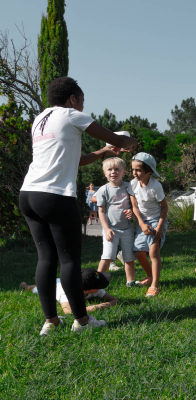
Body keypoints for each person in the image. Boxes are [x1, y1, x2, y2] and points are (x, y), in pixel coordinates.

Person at [19, 76, 137, 335]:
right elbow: (118, 139)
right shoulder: (72, 115)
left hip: (29, 194)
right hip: (55, 196)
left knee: (46, 258)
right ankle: (82, 322)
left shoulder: (40, 120)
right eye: (81, 101)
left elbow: (72, 160)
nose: (82, 106)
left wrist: (103, 153)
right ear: (73, 98)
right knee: (69, 260)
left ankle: (50, 322)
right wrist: (129, 143)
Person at [128, 152, 169, 298]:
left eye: (138, 170)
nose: (134, 173)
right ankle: (150, 276)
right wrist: (141, 223)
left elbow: (164, 207)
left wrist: (159, 226)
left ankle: (155, 286)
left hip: (157, 221)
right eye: (133, 169)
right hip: (142, 222)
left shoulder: (155, 186)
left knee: (153, 252)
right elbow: (135, 206)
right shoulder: (132, 184)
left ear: (149, 171)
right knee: (138, 252)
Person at [20, 269, 119, 328]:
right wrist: (92, 308)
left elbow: (115, 300)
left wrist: (101, 305)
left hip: (66, 281)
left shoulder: (96, 290)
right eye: (98, 285)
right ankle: (24, 285)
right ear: (86, 291)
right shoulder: (65, 293)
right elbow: (67, 310)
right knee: (36, 288)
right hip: (55, 285)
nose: (100, 287)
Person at [95, 157, 139, 284]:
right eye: (109, 169)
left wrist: (131, 210)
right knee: (107, 256)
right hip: (111, 230)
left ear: (124, 172)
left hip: (127, 229)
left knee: (129, 257)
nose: (113, 172)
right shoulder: (103, 190)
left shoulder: (129, 186)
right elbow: (101, 212)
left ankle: (130, 282)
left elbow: (134, 204)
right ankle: (97, 283)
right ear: (105, 173)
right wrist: (107, 229)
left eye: (117, 169)